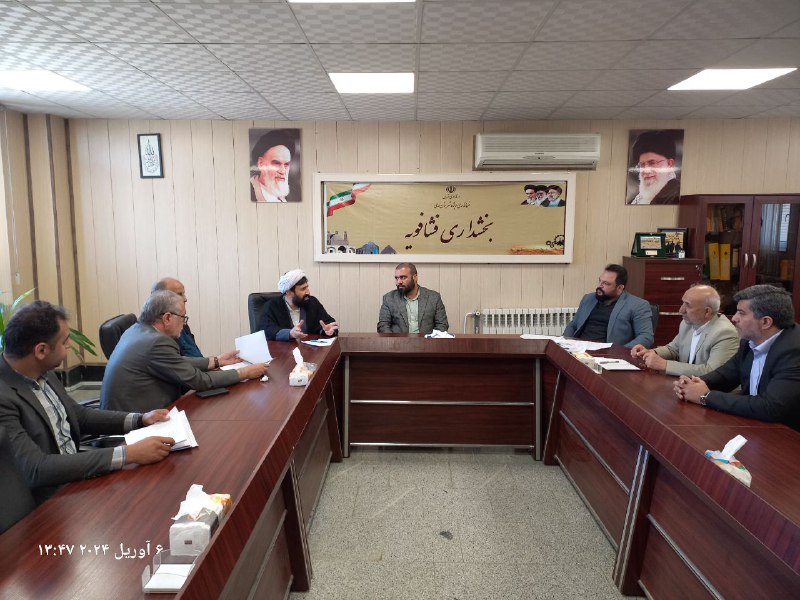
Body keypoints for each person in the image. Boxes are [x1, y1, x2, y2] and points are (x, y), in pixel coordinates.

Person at [0, 301, 175, 509]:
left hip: (78, 476)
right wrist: (127, 454)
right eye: (65, 341)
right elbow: (36, 468)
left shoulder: (41, 371)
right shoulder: (4, 397)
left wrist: (141, 419)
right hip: (47, 502)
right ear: (41, 350)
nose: (69, 346)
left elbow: (78, 415)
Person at [100, 291, 269, 413]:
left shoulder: (137, 330)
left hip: (128, 411)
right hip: (135, 425)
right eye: (183, 317)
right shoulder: (156, 342)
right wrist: (244, 373)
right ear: (167, 318)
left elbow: (175, 361)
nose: (184, 322)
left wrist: (216, 361)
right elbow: (199, 381)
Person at [674, 284, 800, 430]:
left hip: (788, 434)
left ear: (765, 322)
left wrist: (705, 396)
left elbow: (770, 407)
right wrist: (693, 384)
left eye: (741, 313)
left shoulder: (794, 352)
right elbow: (726, 375)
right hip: (756, 426)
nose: (734, 318)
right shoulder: (750, 341)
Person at [630, 284, 738, 376]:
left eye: (688, 305)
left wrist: (665, 365)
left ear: (707, 312)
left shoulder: (724, 333)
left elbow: (712, 372)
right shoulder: (687, 323)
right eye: (683, 303)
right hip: (685, 385)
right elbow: (673, 349)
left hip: (711, 391)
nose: (681, 310)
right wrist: (650, 353)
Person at [564, 264, 653, 348]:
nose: (599, 286)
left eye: (606, 283)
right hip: (579, 349)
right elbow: (573, 325)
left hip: (606, 353)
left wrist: (621, 352)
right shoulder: (588, 298)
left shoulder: (637, 305)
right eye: (600, 281)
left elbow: (646, 337)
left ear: (619, 288)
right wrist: (565, 343)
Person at [261, 269, 338, 341]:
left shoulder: (312, 302)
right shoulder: (271, 306)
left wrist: (327, 331)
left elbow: (328, 323)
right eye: (303, 289)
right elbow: (267, 330)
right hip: (283, 349)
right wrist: (290, 333)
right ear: (288, 292)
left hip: (309, 348)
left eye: (307, 287)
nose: (308, 292)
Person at [377, 262, 449, 334]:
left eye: (403, 277)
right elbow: (383, 326)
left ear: (415, 277)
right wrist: (394, 340)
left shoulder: (433, 298)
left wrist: (431, 339)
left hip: (427, 340)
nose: (399, 282)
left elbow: (442, 325)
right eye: (396, 278)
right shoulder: (389, 298)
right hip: (398, 341)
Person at [151, 277, 202, 357]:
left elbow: (196, 355)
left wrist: (216, 361)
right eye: (179, 294)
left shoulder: (181, 322)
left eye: (183, 294)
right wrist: (215, 361)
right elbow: (177, 362)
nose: (185, 299)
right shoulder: (158, 332)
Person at [627, 130, 680, 205]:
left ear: (669, 164)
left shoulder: (677, 195)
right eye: (642, 164)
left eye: (652, 163)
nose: (646, 170)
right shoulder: (634, 201)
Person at [250, 129, 295, 203]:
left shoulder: (292, 196)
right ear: (261, 164)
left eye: (286, 164)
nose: (283, 171)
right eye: (276, 163)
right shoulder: (248, 193)